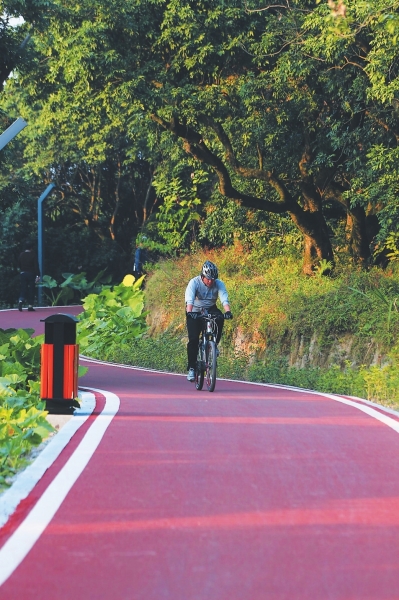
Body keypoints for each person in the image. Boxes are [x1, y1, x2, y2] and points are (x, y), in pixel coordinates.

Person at [185, 260, 233, 382]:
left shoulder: (219, 284)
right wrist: (190, 313)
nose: (210, 281)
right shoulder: (194, 282)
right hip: (195, 310)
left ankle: (214, 345)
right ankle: (191, 368)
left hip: (211, 308)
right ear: (202, 276)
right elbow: (189, 300)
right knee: (194, 339)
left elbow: (224, 299)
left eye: (213, 279)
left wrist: (227, 312)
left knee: (220, 318)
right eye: (208, 279)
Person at [18, 242, 40, 312]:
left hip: (23, 273)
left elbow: (19, 264)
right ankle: (30, 305)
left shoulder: (21, 255)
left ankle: (21, 300)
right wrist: (38, 275)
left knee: (23, 288)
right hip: (31, 273)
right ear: (31, 248)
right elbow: (36, 266)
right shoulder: (33, 255)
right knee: (31, 289)